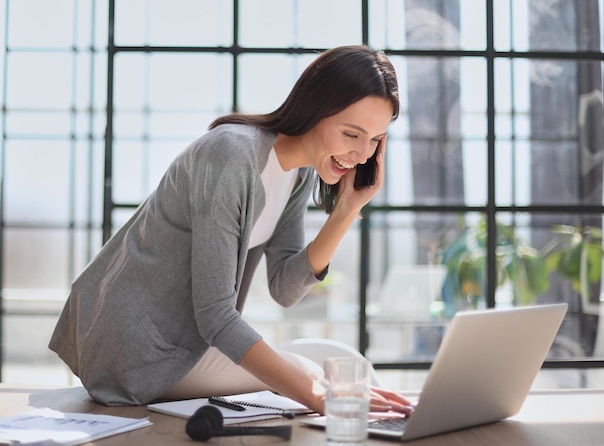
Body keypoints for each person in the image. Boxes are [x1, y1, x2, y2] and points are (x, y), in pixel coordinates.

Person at [49, 45, 413, 415]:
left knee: (339, 361)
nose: (364, 155)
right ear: (315, 109)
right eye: (352, 135)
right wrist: (316, 395)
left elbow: (285, 289)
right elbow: (215, 315)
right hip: (136, 348)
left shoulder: (299, 175)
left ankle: (392, 430)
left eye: (375, 140)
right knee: (319, 374)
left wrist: (346, 211)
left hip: (192, 344)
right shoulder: (231, 156)